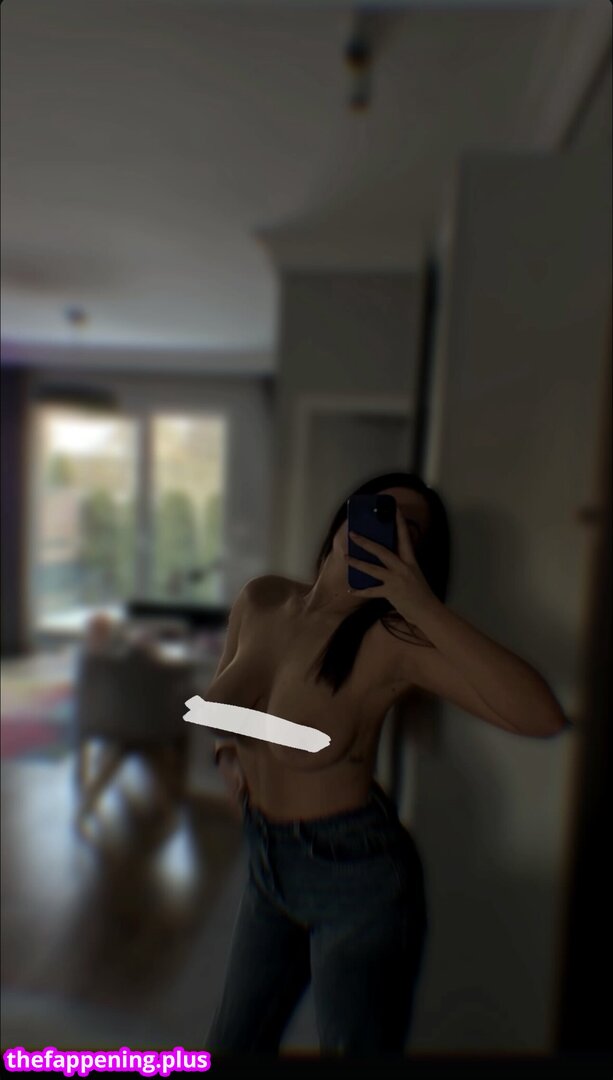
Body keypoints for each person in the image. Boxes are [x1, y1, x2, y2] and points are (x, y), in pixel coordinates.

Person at [203, 471, 566, 1057]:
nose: (383, 529)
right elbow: (218, 706)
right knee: (232, 1045)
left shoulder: (394, 640)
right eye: (377, 510)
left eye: (407, 530)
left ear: (416, 557)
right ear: (345, 516)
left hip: (355, 872)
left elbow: (542, 717)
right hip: (266, 857)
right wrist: (228, 758)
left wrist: (419, 604)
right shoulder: (262, 598)